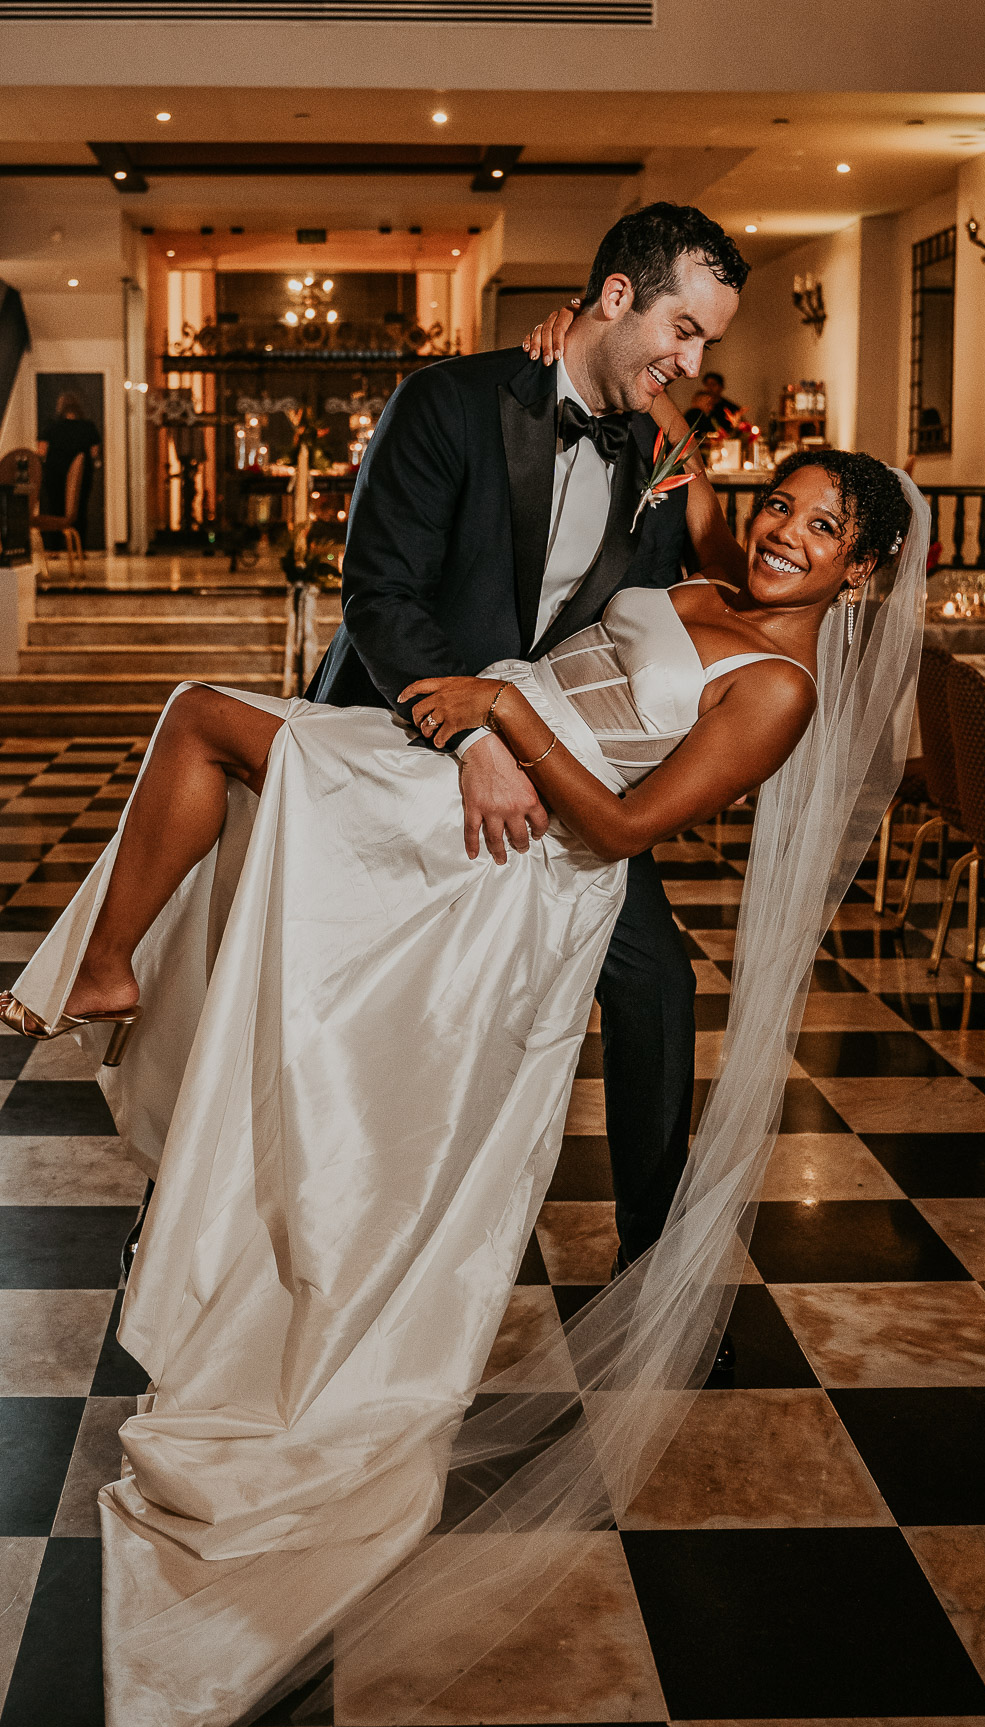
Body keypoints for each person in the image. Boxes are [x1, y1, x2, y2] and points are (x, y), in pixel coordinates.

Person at [0, 419, 920, 1727]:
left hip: (513, 855)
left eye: (825, 527)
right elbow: (688, 489)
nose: (787, 532)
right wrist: (656, 415)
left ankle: (117, 975)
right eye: (785, 504)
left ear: (866, 571)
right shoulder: (720, 570)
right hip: (458, 775)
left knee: (209, 725)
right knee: (213, 750)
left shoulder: (778, 686)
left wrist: (502, 713)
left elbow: (625, 832)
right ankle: (122, 976)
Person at [310, 204, 749, 1280]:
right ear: (613, 299)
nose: (691, 364)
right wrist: (469, 741)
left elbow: (687, 602)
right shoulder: (448, 403)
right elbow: (382, 595)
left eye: (706, 346)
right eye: (681, 333)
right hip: (398, 734)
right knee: (311, 984)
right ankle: (232, 1223)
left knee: (657, 987)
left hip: (554, 761)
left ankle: (650, 1273)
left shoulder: (656, 449)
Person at [37, 390, 101, 547]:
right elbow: (94, 452)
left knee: (54, 509)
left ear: (61, 407)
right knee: (79, 510)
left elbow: (41, 451)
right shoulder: (88, 426)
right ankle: (80, 547)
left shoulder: (51, 426)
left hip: (54, 474)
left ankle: (53, 548)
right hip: (82, 474)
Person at [684, 368, 748, 441]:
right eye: (707, 385)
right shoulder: (696, 412)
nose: (709, 388)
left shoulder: (731, 407)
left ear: (721, 387)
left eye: (713, 385)